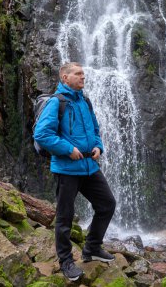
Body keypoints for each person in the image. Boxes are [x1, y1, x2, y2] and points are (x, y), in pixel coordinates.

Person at [34, 62, 116, 281]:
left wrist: (99, 146)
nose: (83, 77)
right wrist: (68, 149)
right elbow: (42, 135)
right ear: (64, 77)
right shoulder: (56, 102)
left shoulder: (85, 101)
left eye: (83, 74)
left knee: (107, 204)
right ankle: (66, 262)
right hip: (67, 169)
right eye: (78, 74)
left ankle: (92, 248)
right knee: (65, 217)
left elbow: (96, 130)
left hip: (89, 166)